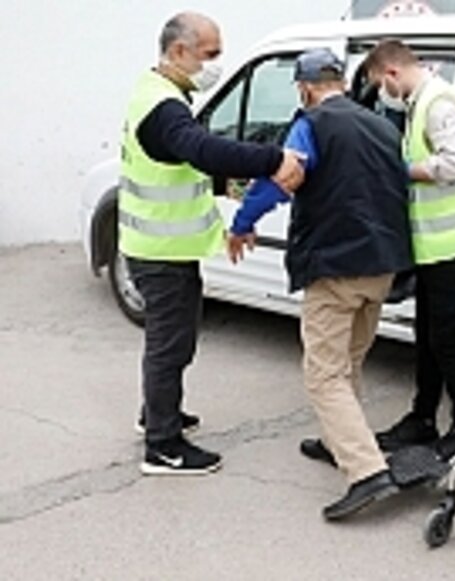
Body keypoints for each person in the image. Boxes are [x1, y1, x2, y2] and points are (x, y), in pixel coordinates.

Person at [227, 48, 413, 521]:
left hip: (336, 267)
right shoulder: (383, 126)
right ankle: (339, 443)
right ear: (343, 83)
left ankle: (366, 471)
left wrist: (242, 223)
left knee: (324, 374)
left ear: (305, 88)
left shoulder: (311, 124)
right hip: (384, 263)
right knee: (349, 360)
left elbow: (282, 179)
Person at [122, 12, 305, 476]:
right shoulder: (165, 107)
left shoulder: (158, 92)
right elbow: (202, 150)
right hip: (161, 253)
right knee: (170, 346)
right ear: (178, 51)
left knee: (173, 342)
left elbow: (187, 167)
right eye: (211, 54)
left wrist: (234, 188)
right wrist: (274, 158)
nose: (216, 64)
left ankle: (157, 414)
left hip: (164, 247)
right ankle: (163, 446)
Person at [363, 40, 455, 461]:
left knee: (448, 344)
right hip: (439, 249)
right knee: (428, 339)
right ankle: (422, 419)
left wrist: (401, 171)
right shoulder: (421, 102)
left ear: (392, 73)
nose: (382, 94)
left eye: (379, 84)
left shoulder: (438, 104)